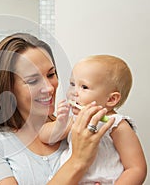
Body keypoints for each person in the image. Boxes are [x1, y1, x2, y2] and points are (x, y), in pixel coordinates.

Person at [0, 33, 115, 185]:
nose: (49, 88)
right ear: (8, 88)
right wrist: (77, 161)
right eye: (33, 81)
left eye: (51, 74)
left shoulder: (76, 128)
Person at [39, 54, 147, 184]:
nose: (74, 92)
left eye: (84, 87)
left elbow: (136, 168)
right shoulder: (75, 119)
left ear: (111, 99)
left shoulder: (116, 125)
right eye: (72, 84)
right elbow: (45, 136)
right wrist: (60, 123)